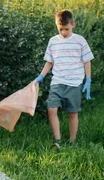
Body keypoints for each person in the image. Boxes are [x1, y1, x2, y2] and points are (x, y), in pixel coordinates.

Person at [34, 9, 93, 148]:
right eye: (60, 29)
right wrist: (41, 76)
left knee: (72, 113)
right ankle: (58, 140)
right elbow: (49, 61)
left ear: (73, 24)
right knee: (51, 109)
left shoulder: (80, 40)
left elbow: (87, 61)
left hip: (74, 83)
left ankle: (72, 141)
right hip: (57, 81)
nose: (63, 33)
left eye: (66, 29)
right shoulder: (53, 41)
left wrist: (88, 79)